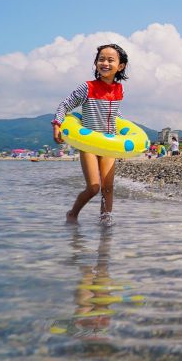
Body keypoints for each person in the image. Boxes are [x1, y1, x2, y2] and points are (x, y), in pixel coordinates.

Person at [53, 44, 129, 227]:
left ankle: (105, 224)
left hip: (109, 144)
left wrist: (124, 136)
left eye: (110, 60)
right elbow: (65, 105)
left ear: (120, 66)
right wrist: (57, 124)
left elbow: (115, 115)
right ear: (95, 63)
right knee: (94, 187)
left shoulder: (120, 90)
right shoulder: (87, 87)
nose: (105, 63)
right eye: (101, 59)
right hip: (89, 144)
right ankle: (72, 214)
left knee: (108, 188)